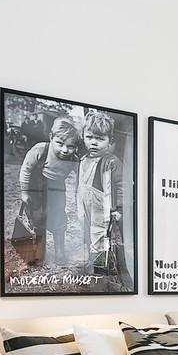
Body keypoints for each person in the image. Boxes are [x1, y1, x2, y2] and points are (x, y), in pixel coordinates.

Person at [18, 117, 81, 265]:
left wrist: (79, 194)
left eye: (70, 146)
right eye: (60, 143)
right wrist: (25, 192)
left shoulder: (74, 159)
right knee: (38, 217)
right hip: (37, 186)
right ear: (51, 137)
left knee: (58, 217)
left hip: (57, 188)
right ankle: (40, 251)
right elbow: (26, 169)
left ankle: (60, 251)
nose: (65, 150)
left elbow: (81, 177)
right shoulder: (41, 150)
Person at [78, 110, 128, 280]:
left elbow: (123, 186)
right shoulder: (83, 159)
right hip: (85, 203)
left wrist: (119, 207)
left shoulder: (112, 161)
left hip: (102, 206)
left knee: (99, 236)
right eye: (90, 137)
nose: (94, 143)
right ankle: (91, 262)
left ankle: (100, 269)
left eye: (100, 139)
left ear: (109, 141)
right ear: (83, 136)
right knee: (87, 232)